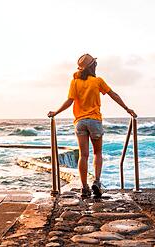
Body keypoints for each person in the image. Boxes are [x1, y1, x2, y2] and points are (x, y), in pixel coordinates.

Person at [47, 54, 137, 197]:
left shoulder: (74, 82)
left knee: (83, 155)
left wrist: (56, 112)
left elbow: (69, 101)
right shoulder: (98, 81)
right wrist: (127, 108)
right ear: (93, 66)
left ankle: (84, 187)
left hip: (80, 122)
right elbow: (113, 95)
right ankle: (96, 181)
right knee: (97, 153)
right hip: (94, 120)